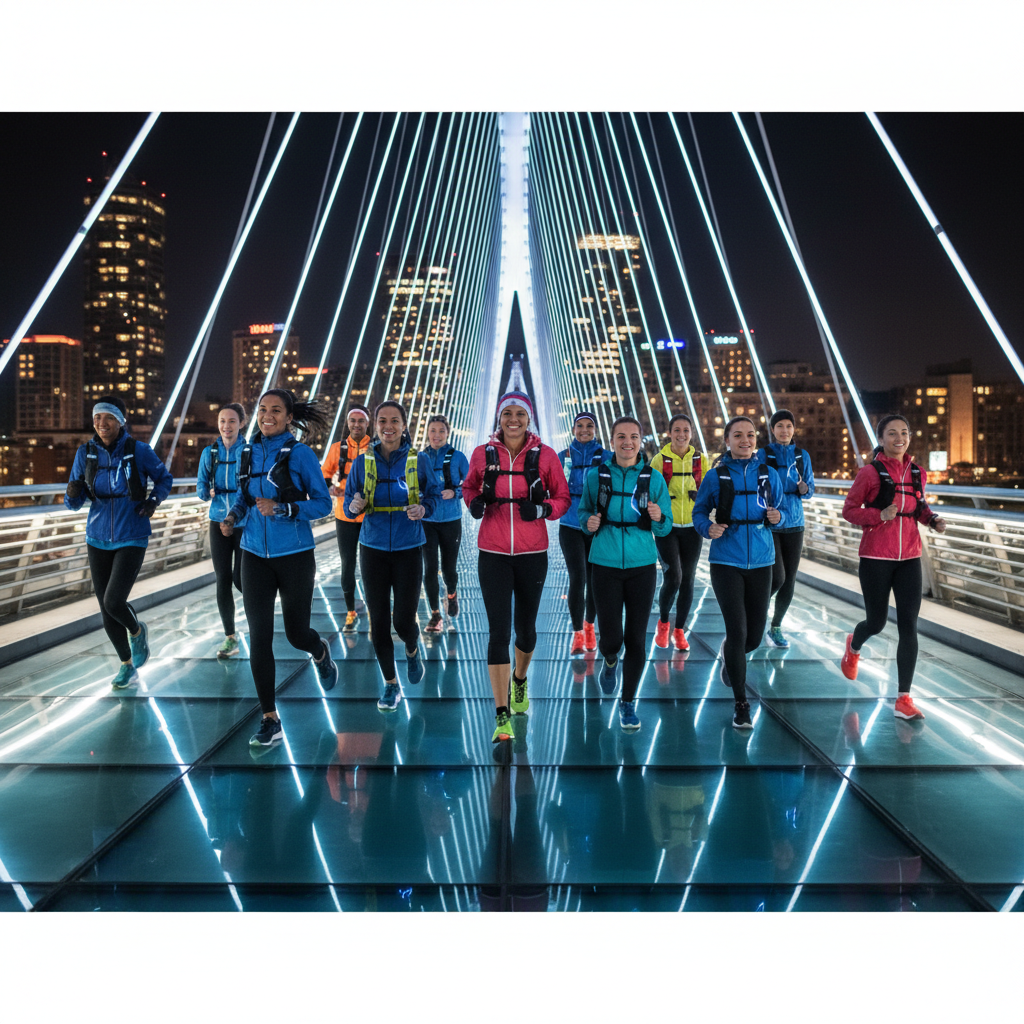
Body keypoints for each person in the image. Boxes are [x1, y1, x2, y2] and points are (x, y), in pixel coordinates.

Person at [220, 389, 335, 749]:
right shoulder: (248, 452)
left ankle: (318, 650)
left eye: (275, 411)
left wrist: (284, 509)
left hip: (295, 554)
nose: (267, 416)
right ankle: (270, 718)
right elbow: (244, 496)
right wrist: (233, 515)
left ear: (288, 417)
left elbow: (323, 503)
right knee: (260, 637)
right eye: (262, 410)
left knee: (296, 633)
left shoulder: (301, 455)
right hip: (253, 553)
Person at [463, 389, 570, 742]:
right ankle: (501, 714)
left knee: (525, 630)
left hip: (532, 553)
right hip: (492, 552)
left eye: (520, 414)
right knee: (498, 632)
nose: (513, 420)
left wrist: (542, 510)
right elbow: (468, 487)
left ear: (529, 419)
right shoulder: (481, 454)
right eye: (507, 413)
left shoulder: (546, 456)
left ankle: (520, 681)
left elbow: (563, 497)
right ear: (499, 417)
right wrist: (475, 503)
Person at [840, 414, 947, 721]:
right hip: (876, 557)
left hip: (910, 558)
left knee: (908, 626)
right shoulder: (870, 473)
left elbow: (920, 507)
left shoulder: (918, 472)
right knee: (876, 622)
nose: (899, 437)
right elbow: (849, 511)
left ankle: (903, 698)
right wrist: (878, 515)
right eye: (892, 433)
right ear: (882, 438)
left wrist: (933, 520)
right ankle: (854, 643)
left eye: (904, 432)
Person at [64, 395, 174, 688]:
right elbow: (72, 504)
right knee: (105, 608)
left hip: (132, 534)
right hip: (97, 537)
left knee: (114, 600)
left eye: (109, 418)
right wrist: (73, 493)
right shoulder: (84, 453)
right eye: (97, 418)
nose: (102, 424)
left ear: (121, 421)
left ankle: (137, 631)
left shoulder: (139, 451)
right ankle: (127, 664)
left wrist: (153, 501)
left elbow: (165, 479)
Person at [344, 401, 441, 712]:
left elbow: (435, 495)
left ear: (404, 424)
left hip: (408, 548)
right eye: (382, 420)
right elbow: (350, 500)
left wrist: (424, 508)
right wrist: (353, 506)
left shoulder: (419, 460)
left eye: (394, 420)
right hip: (371, 548)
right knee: (379, 623)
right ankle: (390, 684)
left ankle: (412, 650)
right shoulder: (362, 462)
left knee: (403, 621)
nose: (388, 426)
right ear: (375, 425)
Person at [578, 416, 673, 733]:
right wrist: (588, 523)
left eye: (633, 436)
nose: (627, 442)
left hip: (642, 565)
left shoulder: (654, 479)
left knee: (635, 638)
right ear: (612, 440)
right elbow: (583, 512)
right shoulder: (596, 477)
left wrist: (659, 517)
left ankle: (628, 702)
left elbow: (666, 526)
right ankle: (608, 658)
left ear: (641, 440)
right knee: (611, 638)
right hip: (604, 564)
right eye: (621, 436)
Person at [692, 416, 785, 730]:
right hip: (726, 561)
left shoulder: (769, 474)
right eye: (738, 435)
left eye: (750, 435)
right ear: (727, 440)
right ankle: (741, 704)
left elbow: (779, 513)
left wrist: (777, 516)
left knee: (754, 636)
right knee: (737, 629)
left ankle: (730, 652)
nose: (745, 440)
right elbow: (699, 511)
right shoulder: (716, 476)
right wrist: (708, 528)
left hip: (762, 560)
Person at [650, 413, 712, 651]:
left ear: (691, 433)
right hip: (667, 527)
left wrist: (703, 499)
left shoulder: (701, 460)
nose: (681, 434)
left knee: (688, 580)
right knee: (673, 576)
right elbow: (651, 490)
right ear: (670, 433)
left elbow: (708, 488)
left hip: (693, 528)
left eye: (686, 430)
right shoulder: (659, 460)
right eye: (677, 430)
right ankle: (664, 623)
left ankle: (679, 631)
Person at [757, 409, 815, 648]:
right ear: (772, 430)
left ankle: (776, 626)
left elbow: (810, 490)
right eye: (779, 426)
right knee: (776, 577)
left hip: (795, 523)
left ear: (794, 430)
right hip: (771, 522)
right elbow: (756, 484)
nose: (784, 431)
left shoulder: (802, 456)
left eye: (788, 426)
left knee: (789, 580)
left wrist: (804, 488)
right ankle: (755, 611)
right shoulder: (763, 454)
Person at [556, 410, 613, 655]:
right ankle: (578, 632)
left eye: (589, 426)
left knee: (595, 580)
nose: (584, 430)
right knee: (577, 578)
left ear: (596, 430)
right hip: (570, 526)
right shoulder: (561, 457)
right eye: (580, 426)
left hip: (597, 526)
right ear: (573, 430)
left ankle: (590, 627)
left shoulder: (607, 457)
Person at [196, 402, 248, 658]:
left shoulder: (249, 451)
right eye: (222, 421)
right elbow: (200, 488)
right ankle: (230, 637)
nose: (226, 426)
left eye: (231, 421)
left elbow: (251, 487)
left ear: (241, 424)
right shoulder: (210, 453)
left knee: (241, 579)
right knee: (222, 580)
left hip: (243, 522)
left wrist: (234, 512)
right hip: (217, 521)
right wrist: (208, 493)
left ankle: (258, 620)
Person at [321, 405, 372, 633]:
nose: (356, 425)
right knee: (347, 565)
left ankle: (374, 608)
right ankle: (351, 611)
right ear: (348, 423)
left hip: (371, 517)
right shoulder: (336, 449)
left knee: (372, 566)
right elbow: (323, 476)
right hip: (344, 516)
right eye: (352, 421)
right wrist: (331, 489)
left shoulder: (375, 448)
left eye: (361, 421)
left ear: (367, 424)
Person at [420, 414, 469, 633]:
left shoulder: (458, 457)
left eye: (441, 431)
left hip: (451, 520)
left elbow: (470, 485)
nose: (436, 435)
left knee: (449, 568)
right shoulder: (419, 457)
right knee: (429, 568)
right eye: (433, 430)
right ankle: (435, 614)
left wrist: (455, 491)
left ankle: (451, 593)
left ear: (447, 433)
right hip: (427, 520)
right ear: (427, 432)